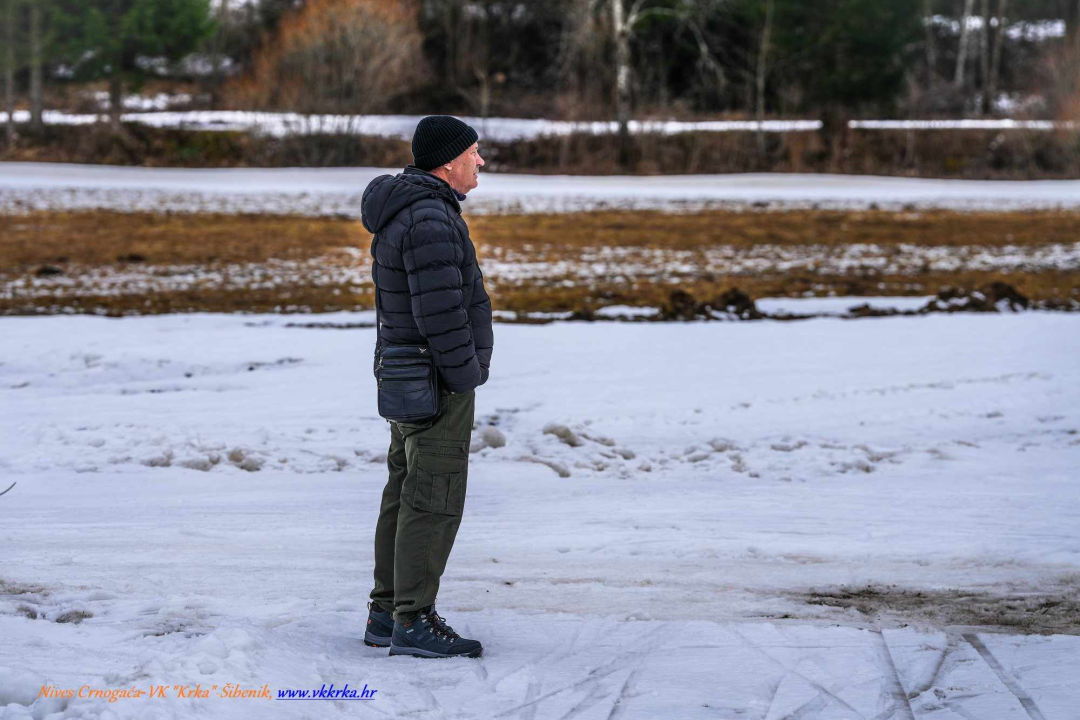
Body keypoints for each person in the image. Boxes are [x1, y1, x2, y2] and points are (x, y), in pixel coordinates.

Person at [359, 115, 493, 659]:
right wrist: (464, 376)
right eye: (474, 152)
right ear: (448, 160)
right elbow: (439, 313)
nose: (480, 161)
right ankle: (412, 619)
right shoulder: (431, 220)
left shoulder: (412, 211)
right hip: (433, 379)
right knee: (432, 497)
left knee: (404, 489)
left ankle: (387, 612)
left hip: (406, 373)